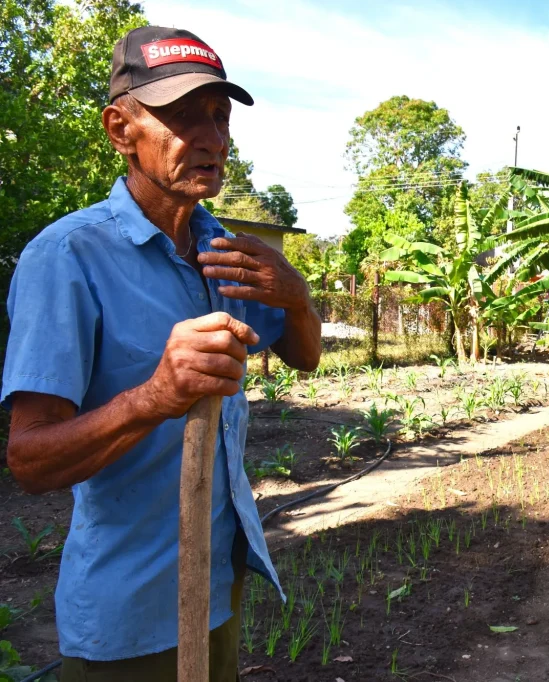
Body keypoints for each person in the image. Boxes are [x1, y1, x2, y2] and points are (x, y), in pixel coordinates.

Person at [2, 25, 321, 681]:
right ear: (121, 129)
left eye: (219, 115)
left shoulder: (224, 250)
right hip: (128, 614)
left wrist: (297, 298)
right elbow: (29, 460)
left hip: (219, 579)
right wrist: (154, 398)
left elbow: (304, 358)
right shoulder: (67, 258)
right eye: (180, 116)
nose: (209, 138)